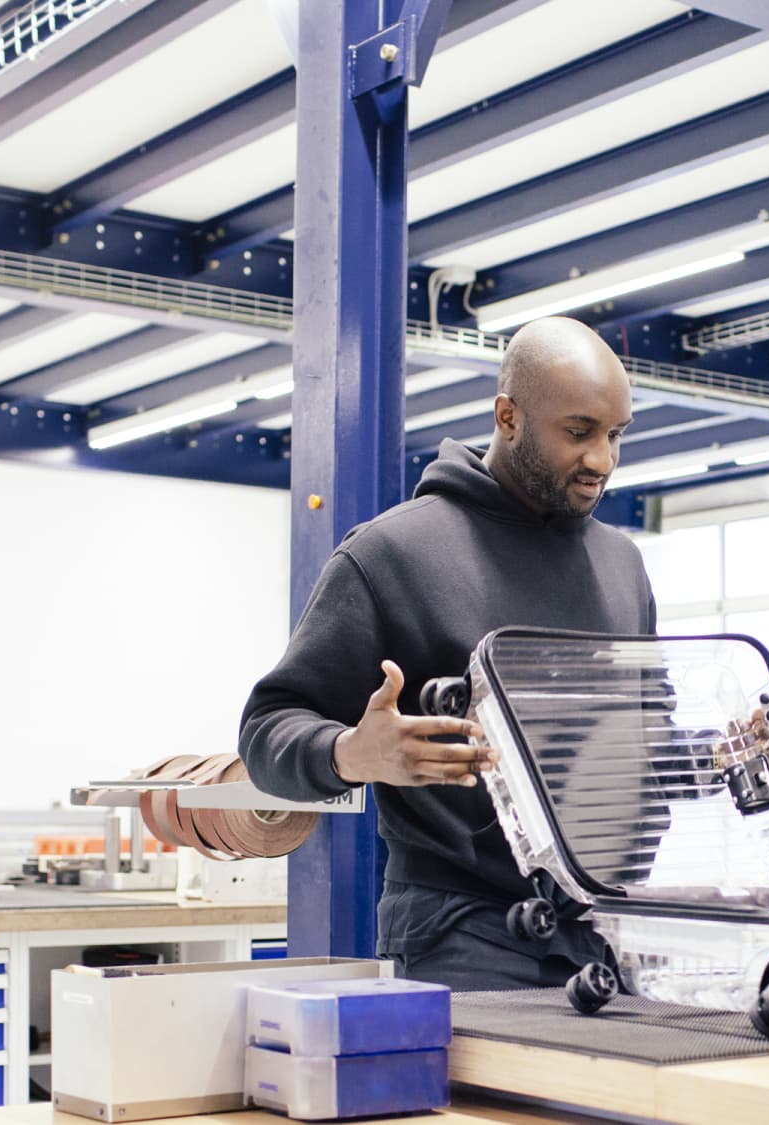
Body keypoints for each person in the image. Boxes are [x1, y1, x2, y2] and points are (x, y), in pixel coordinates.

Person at [239, 316, 655, 990]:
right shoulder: (393, 555)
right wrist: (354, 752)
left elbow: (643, 740)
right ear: (508, 417)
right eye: (578, 432)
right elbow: (266, 731)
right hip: (462, 937)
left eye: (615, 435)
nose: (601, 460)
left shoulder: (622, 566)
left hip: (608, 930)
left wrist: (710, 757)